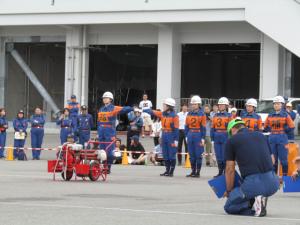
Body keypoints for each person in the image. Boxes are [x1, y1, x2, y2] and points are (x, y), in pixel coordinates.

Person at [224, 119, 280, 217]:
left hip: (254, 183)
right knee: (248, 188)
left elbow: (230, 169)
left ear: (232, 129)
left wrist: (229, 191)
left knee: (229, 206)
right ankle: (259, 199)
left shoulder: (232, 141)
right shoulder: (261, 135)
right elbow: (273, 160)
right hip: (273, 182)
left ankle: (255, 208)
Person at [97, 91, 133, 174]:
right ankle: (103, 167)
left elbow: (124, 109)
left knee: (109, 152)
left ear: (110, 99)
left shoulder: (113, 108)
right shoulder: (101, 109)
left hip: (109, 132)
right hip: (101, 131)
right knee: (102, 151)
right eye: (103, 98)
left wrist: (132, 108)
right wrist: (98, 132)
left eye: (106, 98)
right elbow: (99, 121)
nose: (104, 99)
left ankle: (108, 167)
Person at [144, 98, 179, 177]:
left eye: (164, 105)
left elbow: (176, 129)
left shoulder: (175, 116)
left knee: (171, 154)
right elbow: (152, 112)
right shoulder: (163, 114)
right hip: (164, 135)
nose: (163, 106)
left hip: (171, 136)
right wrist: (142, 109)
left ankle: (171, 171)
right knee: (165, 154)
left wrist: (176, 140)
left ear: (169, 106)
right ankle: (167, 170)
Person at [264, 96, 295, 177]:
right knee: (273, 160)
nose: (276, 105)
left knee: (283, 160)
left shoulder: (285, 114)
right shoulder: (270, 115)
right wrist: (270, 130)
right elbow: (265, 126)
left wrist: (284, 130)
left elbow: (292, 126)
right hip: (272, 137)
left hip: (282, 138)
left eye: (278, 104)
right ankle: (274, 178)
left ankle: (284, 178)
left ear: (282, 105)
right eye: (275, 104)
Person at [185, 96, 206, 178]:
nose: (193, 105)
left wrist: (203, 138)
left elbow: (203, 127)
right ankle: (193, 171)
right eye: (192, 104)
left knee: (198, 154)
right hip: (190, 133)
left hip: (198, 134)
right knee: (191, 154)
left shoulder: (202, 114)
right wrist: (186, 135)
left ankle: (198, 172)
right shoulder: (189, 113)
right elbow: (186, 125)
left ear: (199, 104)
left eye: (195, 104)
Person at [211, 97, 232, 177]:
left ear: (226, 106)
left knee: (224, 155)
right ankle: (220, 172)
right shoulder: (215, 116)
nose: (220, 106)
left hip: (225, 136)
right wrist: (212, 138)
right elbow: (212, 127)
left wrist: (230, 138)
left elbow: (231, 128)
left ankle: (225, 172)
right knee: (218, 155)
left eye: (222, 105)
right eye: (219, 105)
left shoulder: (229, 116)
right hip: (217, 136)